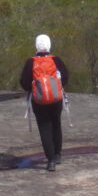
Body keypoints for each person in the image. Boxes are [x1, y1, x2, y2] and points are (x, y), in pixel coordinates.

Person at [19, 33, 69, 172]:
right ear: (49, 45)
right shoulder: (56, 60)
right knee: (56, 124)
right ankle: (58, 155)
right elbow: (65, 77)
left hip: (38, 100)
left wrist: (35, 90)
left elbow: (24, 82)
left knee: (44, 128)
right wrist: (57, 87)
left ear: (36, 45)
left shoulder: (31, 62)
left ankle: (51, 160)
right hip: (56, 99)